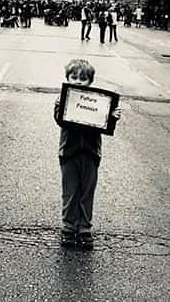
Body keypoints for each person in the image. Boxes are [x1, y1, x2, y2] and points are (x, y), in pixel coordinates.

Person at [53, 59, 121, 249]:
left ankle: (84, 229)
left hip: (91, 154)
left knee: (86, 192)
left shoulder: (98, 102)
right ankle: (68, 228)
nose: (78, 82)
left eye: (83, 79)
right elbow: (60, 121)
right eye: (73, 77)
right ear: (67, 78)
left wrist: (111, 116)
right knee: (70, 191)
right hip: (69, 153)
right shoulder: (63, 100)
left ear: (90, 81)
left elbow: (105, 126)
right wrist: (61, 106)